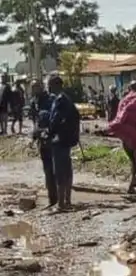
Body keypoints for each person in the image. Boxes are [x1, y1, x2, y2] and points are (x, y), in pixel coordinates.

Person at [45, 75, 81, 211]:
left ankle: (61, 204)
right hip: (66, 139)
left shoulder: (60, 100)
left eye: (49, 84)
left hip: (59, 140)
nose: (47, 87)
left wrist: (48, 133)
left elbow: (56, 121)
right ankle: (67, 200)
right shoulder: (66, 99)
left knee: (60, 171)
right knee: (66, 169)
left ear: (54, 85)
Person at [29, 79, 56, 207]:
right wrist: (34, 136)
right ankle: (52, 198)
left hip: (52, 138)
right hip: (41, 139)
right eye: (33, 87)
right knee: (47, 169)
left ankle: (57, 198)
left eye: (36, 86)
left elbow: (54, 118)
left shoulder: (51, 99)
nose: (34, 89)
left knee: (54, 169)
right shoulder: (34, 102)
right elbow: (35, 121)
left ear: (42, 87)